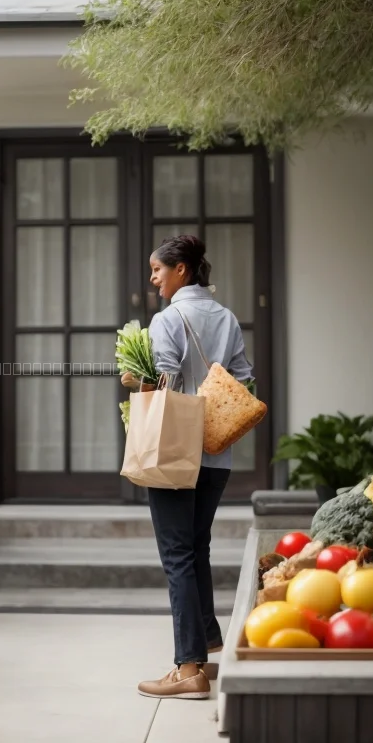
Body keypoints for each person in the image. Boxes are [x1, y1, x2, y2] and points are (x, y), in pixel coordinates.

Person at [121, 234, 254, 700]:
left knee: (177, 554)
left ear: (182, 271)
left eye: (158, 270)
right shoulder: (227, 317)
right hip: (217, 455)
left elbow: (167, 376)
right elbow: (243, 378)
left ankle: (188, 669)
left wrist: (135, 380)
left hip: (176, 456)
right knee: (196, 550)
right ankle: (205, 644)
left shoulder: (169, 317)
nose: (153, 279)